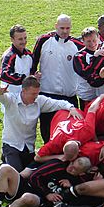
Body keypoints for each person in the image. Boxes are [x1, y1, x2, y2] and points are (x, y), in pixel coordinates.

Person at [0, 76, 79, 172]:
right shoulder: (11, 100)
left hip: (29, 147)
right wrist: (0, 91)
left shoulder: (39, 100)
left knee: (30, 174)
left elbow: (59, 103)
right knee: (16, 173)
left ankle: (5, 163)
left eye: (37, 93)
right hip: (11, 145)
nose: (35, 96)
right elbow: (2, 97)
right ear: (23, 91)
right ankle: (6, 162)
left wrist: (71, 108)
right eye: (33, 94)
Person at [0, 156, 91, 207]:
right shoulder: (58, 165)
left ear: (81, 173)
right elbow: (34, 177)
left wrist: (70, 188)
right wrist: (47, 193)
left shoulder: (79, 183)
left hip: (36, 198)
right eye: (72, 164)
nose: (70, 168)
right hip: (27, 186)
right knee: (5, 168)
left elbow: (75, 201)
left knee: (28, 198)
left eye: (75, 169)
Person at [31, 14, 84, 143]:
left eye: (68, 28)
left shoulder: (76, 45)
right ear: (55, 26)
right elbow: (32, 62)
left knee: (70, 133)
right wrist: (33, 76)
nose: (65, 31)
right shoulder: (43, 41)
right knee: (47, 132)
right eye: (62, 28)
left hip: (69, 95)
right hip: (46, 94)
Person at [36, 94, 104, 157]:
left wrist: (101, 97)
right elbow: (37, 157)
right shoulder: (55, 142)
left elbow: (92, 109)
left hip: (75, 113)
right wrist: (60, 157)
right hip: (60, 115)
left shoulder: (87, 130)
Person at [0, 25, 41, 95]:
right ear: (12, 39)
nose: (24, 41)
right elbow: (5, 75)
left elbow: (32, 72)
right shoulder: (9, 56)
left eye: (25, 38)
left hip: (27, 97)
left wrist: (35, 75)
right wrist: (26, 79)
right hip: (11, 98)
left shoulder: (29, 54)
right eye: (20, 39)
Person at [73, 27, 104, 109]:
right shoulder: (79, 56)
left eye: (94, 40)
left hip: (102, 94)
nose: (92, 44)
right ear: (83, 41)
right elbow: (85, 73)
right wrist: (95, 57)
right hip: (86, 96)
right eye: (88, 41)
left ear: (98, 38)